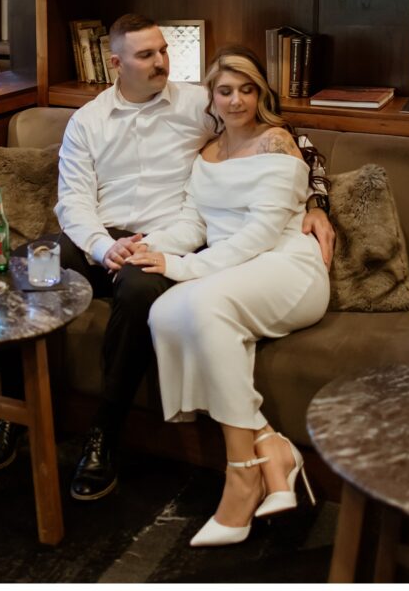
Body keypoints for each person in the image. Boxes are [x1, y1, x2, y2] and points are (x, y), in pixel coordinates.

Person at [0, 16, 335, 502]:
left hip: (170, 238)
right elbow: (72, 201)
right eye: (146, 55)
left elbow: (281, 136)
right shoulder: (88, 121)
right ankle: (10, 410)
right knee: (25, 264)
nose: (161, 61)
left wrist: (316, 204)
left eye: (163, 51)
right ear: (116, 63)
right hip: (98, 238)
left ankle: (104, 434)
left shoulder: (198, 104)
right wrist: (104, 247)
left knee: (141, 289)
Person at [124, 46, 331, 546]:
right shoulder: (207, 153)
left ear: (260, 94)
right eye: (225, 90)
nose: (236, 100)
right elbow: (195, 222)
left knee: (204, 303)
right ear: (211, 98)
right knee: (166, 311)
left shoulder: (277, 142)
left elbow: (260, 234)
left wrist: (183, 267)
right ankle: (271, 446)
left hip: (288, 263)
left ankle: (241, 475)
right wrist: (150, 248)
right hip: (235, 267)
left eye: (246, 89)